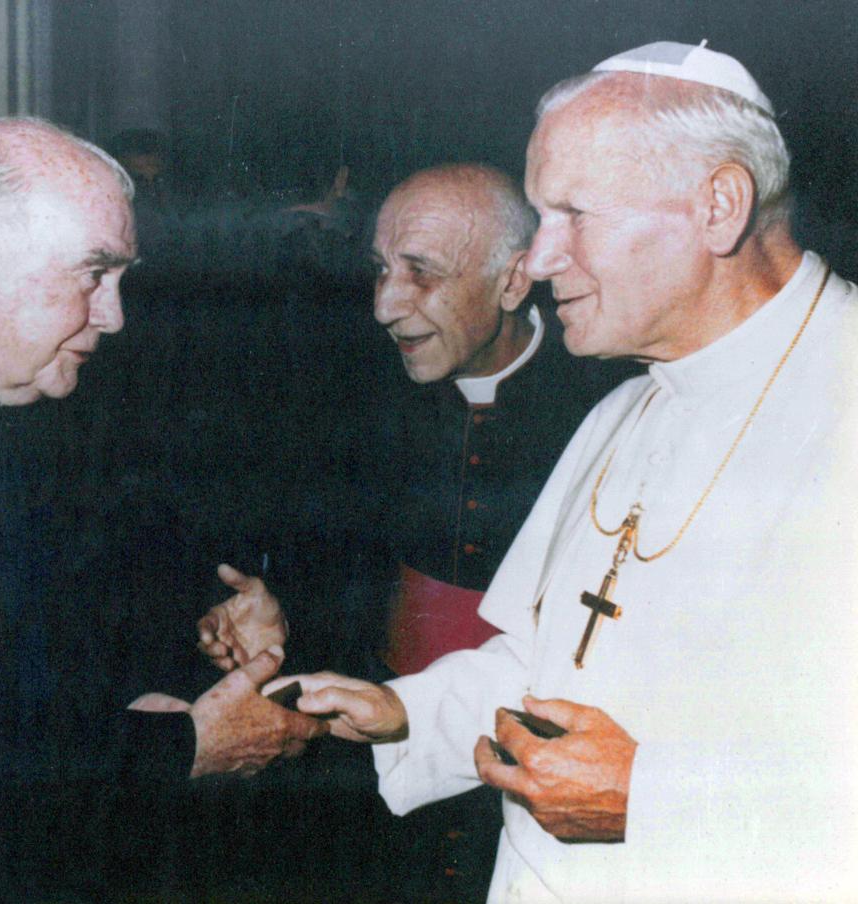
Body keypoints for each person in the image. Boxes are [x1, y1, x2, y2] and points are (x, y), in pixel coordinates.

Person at [266, 42, 858, 902]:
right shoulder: (623, 412)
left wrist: (651, 802)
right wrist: (409, 712)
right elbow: (554, 664)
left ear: (718, 208)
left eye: (574, 214)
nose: (538, 261)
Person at [0, 116, 323, 902]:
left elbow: (37, 636)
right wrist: (186, 745)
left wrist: (206, 633)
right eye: (94, 275)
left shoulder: (3, 387)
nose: (114, 316)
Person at [199, 163, 632, 902]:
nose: (384, 306)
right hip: (383, 745)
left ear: (513, 281)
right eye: (379, 270)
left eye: (421, 274)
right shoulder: (352, 389)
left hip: (547, 767)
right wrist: (280, 614)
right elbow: (335, 555)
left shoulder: (610, 399)